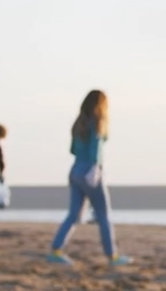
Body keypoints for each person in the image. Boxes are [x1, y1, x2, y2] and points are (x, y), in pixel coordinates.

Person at [46, 90, 131, 267]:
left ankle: (55, 250)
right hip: (90, 169)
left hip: (75, 169)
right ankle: (112, 256)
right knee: (103, 214)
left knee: (74, 215)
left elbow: (73, 150)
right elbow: (96, 147)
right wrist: (95, 167)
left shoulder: (78, 123)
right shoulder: (98, 121)